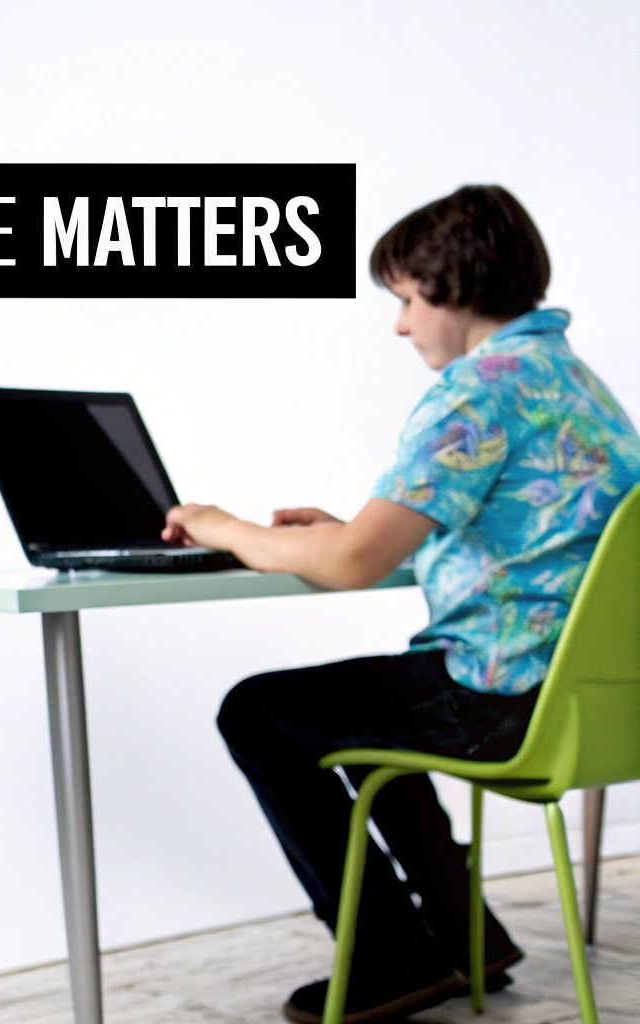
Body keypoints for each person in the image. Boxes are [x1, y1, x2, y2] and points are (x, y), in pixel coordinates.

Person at [161, 184, 640, 1024]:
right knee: (372, 705)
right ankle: (466, 937)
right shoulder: (572, 384)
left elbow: (350, 567)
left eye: (408, 300)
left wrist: (223, 525)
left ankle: (389, 959)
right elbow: (515, 533)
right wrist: (359, 529)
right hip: (584, 700)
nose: (401, 325)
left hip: (502, 701)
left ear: (456, 289)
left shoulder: (478, 390)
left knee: (262, 713)